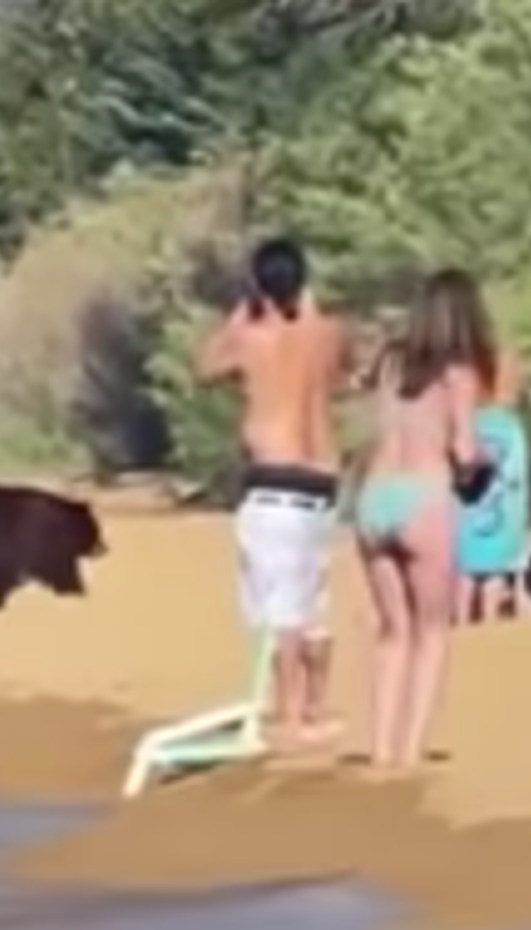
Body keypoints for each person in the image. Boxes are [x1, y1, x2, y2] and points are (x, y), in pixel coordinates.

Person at [195, 237, 350, 748]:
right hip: (322, 481)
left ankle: (290, 715)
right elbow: (338, 371)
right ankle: (317, 705)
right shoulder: (329, 334)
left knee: (281, 607)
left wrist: (241, 316)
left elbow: (205, 367)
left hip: (273, 480)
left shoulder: (251, 338)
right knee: (314, 599)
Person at [351, 268, 497, 768]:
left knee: (393, 630)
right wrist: (481, 465)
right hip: (424, 495)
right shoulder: (459, 373)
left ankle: (381, 748)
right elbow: (463, 447)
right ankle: (409, 753)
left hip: (374, 496)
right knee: (432, 630)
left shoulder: (392, 364)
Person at [454, 346, 530, 623]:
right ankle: (489, 628)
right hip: (506, 518)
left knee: (465, 574)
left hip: (467, 515)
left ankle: (461, 625)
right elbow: (518, 480)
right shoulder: (513, 427)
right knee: (495, 576)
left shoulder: (469, 423)